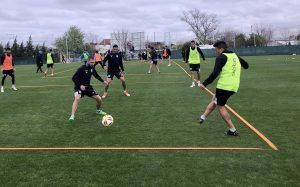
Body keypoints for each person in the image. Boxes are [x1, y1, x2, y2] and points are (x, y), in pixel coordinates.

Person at [198, 41, 249, 136]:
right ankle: (202, 117)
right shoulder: (234, 55)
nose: (216, 51)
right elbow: (246, 65)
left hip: (224, 86)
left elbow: (215, 73)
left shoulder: (221, 57)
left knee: (220, 106)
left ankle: (232, 130)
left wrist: (204, 84)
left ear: (221, 49)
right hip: (234, 86)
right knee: (215, 99)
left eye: (216, 49)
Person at [69, 55, 107, 121]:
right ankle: (72, 115)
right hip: (79, 87)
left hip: (88, 88)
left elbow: (96, 75)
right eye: (91, 62)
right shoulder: (81, 68)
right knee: (77, 98)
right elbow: (74, 78)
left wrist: (103, 81)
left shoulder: (92, 68)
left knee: (99, 99)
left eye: (94, 62)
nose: (93, 64)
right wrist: (80, 85)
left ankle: (98, 110)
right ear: (88, 61)